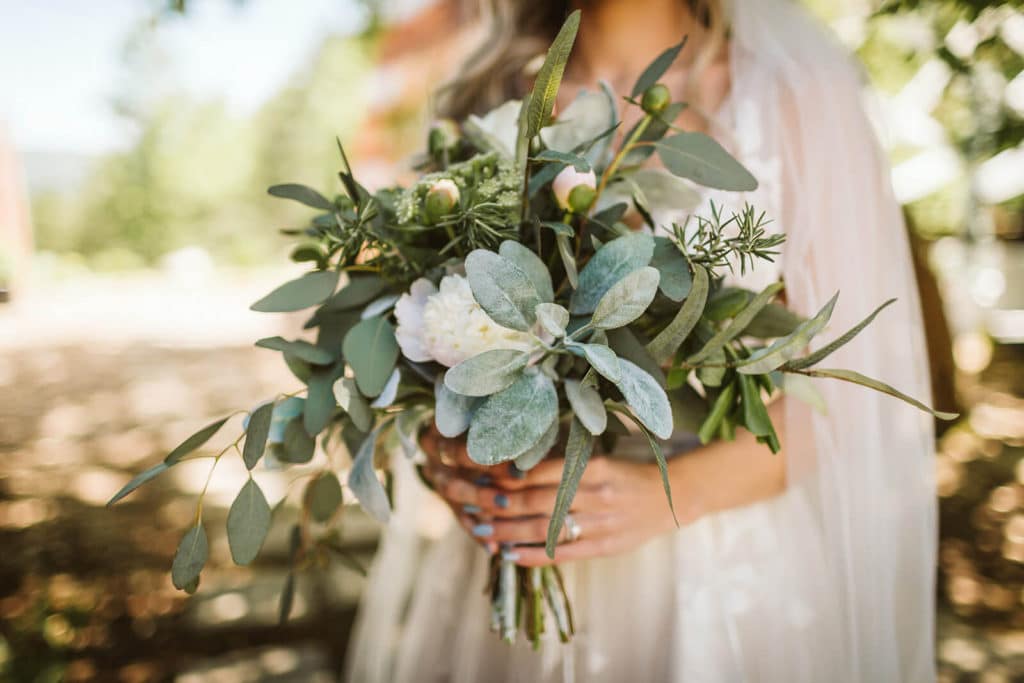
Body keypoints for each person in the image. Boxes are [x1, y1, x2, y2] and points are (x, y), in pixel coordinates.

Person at [346, 1, 937, 681]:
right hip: (516, 556)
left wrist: (669, 493)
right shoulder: (486, 99)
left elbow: (856, 389)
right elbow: (423, 331)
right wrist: (453, 450)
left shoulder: (795, 97)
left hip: (718, 571)